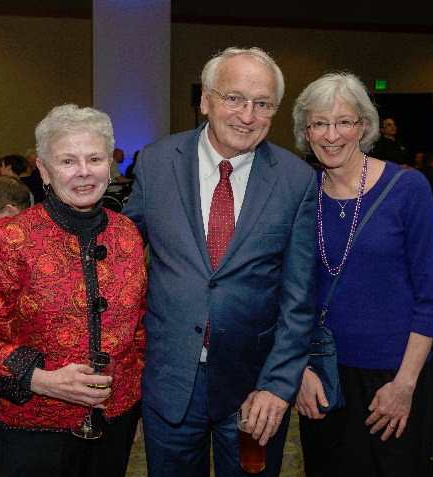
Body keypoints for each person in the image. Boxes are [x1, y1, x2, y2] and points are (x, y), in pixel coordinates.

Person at [123, 46, 317, 476]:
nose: (247, 115)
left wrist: (277, 385)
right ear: (205, 100)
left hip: (254, 392)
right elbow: (123, 261)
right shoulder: (155, 163)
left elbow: (299, 299)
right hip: (169, 381)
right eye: (234, 98)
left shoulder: (297, 181)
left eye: (262, 104)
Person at [0, 104, 146, 477]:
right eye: (67, 161)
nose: (84, 171)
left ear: (109, 166)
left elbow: (139, 329)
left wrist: (135, 405)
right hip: (33, 428)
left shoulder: (127, 234)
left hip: (114, 422)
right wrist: (43, 380)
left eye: (94, 158)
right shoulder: (10, 238)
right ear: (45, 172)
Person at [292, 72, 433, 477]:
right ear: (306, 132)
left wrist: (406, 384)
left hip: (393, 379)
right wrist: (300, 372)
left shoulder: (407, 187)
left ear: (364, 125)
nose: (331, 134)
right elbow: (291, 296)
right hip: (323, 377)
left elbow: (430, 298)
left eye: (344, 121)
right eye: (319, 123)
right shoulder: (301, 195)